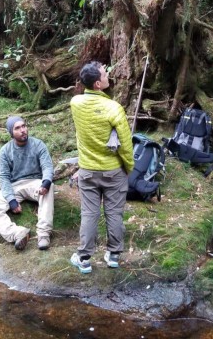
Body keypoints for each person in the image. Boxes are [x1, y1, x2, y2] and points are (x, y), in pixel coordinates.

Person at [69, 61, 134, 273]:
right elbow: (125, 143)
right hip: (114, 171)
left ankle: (84, 258)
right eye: (105, 75)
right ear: (98, 84)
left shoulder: (75, 103)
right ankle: (113, 255)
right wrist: (129, 166)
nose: (108, 76)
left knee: (89, 213)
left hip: (87, 170)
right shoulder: (114, 108)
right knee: (114, 213)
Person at [0, 116, 54, 251]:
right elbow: (3, 177)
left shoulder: (38, 144)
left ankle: (44, 234)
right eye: (17, 128)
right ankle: (17, 233)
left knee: (50, 188)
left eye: (24, 126)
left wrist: (46, 183)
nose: (22, 130)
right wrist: (11, 200)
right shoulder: (5, 151)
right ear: (11, 132)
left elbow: (47, 167)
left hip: (35, 183)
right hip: (15, 186)